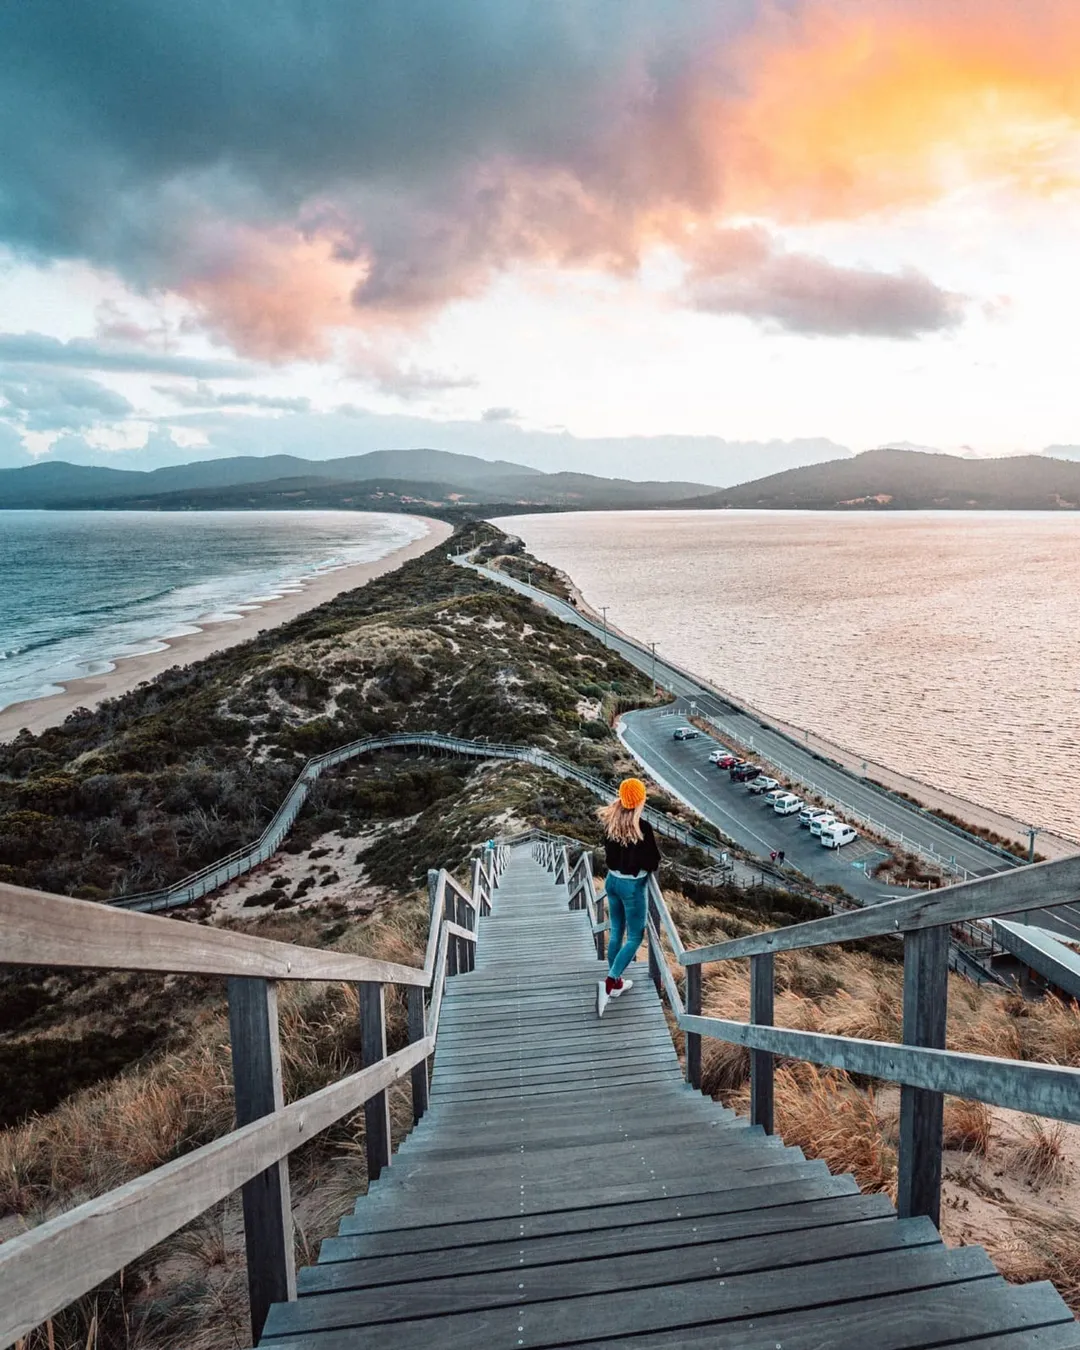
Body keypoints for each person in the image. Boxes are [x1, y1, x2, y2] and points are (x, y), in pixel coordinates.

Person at [596, 777, 661, 1017]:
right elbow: (652, 861)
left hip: (611, 881)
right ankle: (611, 981)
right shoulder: (642, 828)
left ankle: (618, 982)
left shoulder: (611, 821)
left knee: (616, 931)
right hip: (631, 887)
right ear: (640, 800)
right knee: (635, 936)